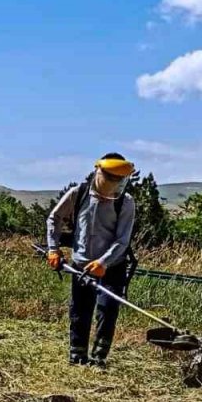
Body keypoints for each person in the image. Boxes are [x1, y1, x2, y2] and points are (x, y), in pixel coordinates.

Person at [46, 153, 137, 367]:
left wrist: (103, 262)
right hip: (81, 264)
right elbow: (54, 218)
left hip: (112, 266)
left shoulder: (125, 202)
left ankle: (99, 358)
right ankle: (77, 355)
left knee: (107, 309)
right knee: (79, 310)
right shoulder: (78, 193)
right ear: (99, 173)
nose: (114, 184)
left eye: (119, 181)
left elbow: (122, 240)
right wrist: (53, 249)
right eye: (110, 179)